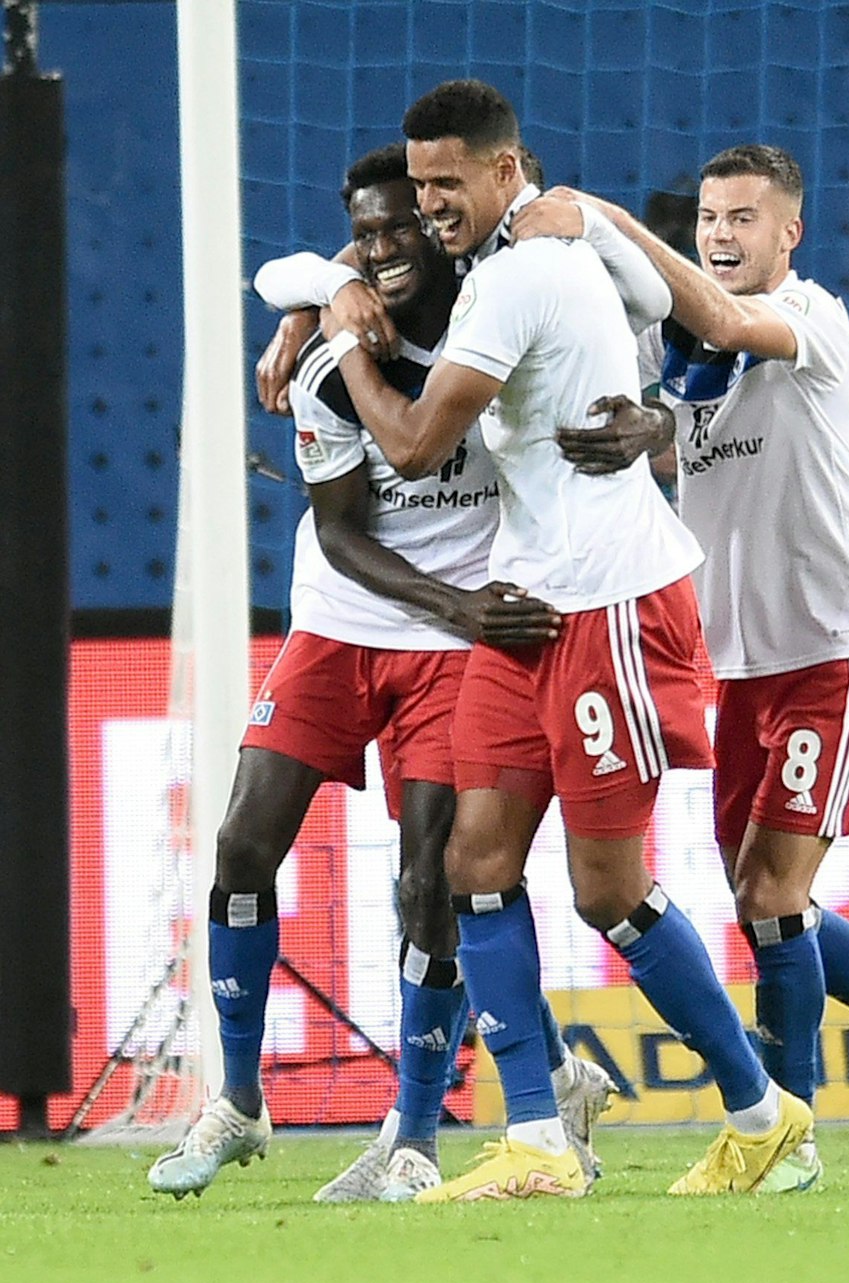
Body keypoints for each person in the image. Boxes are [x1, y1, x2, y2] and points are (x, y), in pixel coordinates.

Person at [311, 80, 811, 1199]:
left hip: (611, 601)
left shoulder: (526, 272)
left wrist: (344, 345)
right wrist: (332, 290)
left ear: (506, 170)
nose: (431, 203)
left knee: (605, 888)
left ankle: (764, 1115)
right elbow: (644, 300)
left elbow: (408, 445)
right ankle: (537, 1139)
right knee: (473, 864)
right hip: (526, 602)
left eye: (448, 182)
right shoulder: (531, 255)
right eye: (421, 181)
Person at [509, 146, 849, 1193]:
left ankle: (787, 1141)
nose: (722, 236)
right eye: (710, 220)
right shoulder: (671, 342)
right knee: (759, 894)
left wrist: (601, 216)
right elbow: (678, 409)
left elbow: (736, 332)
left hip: (839, 643)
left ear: (790, 233)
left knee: (777, 894)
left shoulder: (815, 320)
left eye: (744, 218)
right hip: (737, 656)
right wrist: (651, 427)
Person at [147, 146, 614, 1203]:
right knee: (238, 846)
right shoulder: (330, 357)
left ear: (449, 223)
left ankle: (412, 1133)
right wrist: (317, 292)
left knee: (428, 884)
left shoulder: (511, 327)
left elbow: (600, 268)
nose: (387, 249)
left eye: (405, 226)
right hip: (353, 622)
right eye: (367, 237)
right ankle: (238, 1102)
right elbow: (344, 533)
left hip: (459, 651)